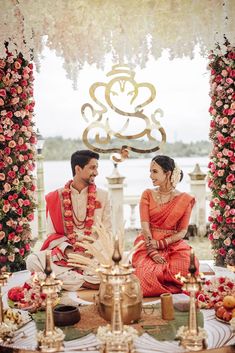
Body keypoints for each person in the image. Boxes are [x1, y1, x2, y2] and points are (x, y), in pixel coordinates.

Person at [26, 150, 112, 290]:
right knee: (32, 261)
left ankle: (68, 280)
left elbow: (106, 232)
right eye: (92, 167)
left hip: (93, 254)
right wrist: (70, 252)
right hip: (66, 254)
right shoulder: (56, 197)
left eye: (97, 167)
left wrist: (88, 252)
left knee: (108, 269)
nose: (96, 172)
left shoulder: (103, 196)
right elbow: (52, 234)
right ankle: (85, 282)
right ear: (78, 169)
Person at [132, 155, 199, 297]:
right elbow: (145, 226)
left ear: (168, 173)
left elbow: (182, 232)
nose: (150, 176)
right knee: (144, 272)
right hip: (148, 242)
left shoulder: (184, 199)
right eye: (150, 171)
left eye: (154, 171)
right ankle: (163, 287)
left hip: (173, 244)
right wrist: (152, 250)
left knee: (188, 267)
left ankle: (167, 286)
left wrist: (162, 243)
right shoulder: (147, 194)